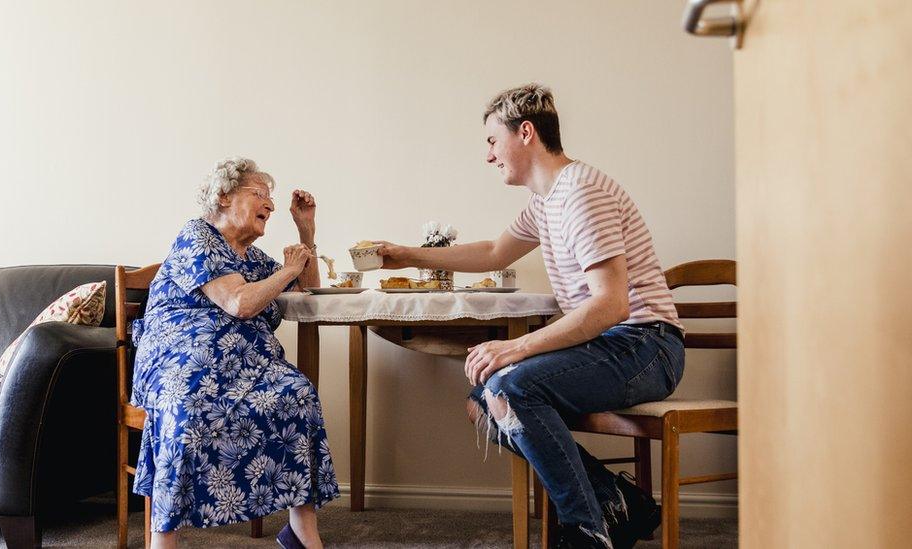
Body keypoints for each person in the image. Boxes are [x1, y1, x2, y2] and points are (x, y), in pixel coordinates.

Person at [377, 85, 684, 549]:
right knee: (482, 403)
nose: (488, 155)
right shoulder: (547, 201)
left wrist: (515, 347)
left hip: (646, 345)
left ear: (525, 133)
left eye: (491, 141)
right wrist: (405, 255)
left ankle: (585, 531)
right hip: (614, 343)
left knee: (512, 387)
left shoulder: (582, 192)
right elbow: (495, 251)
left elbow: (611, 304)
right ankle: (619, 500)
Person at [131, 157, 339, 549]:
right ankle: (163, 541)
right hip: (181, 359)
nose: (271, 205)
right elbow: (239, 304)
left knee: (297, 393)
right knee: (188, 405)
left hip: (246, 362)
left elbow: (305, 290)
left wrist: (306, 232)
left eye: (271, 198)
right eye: (259, 194)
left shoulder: (252, 257)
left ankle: (302, 534)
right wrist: (286, 272)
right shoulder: (197, 235)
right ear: (224, 196)